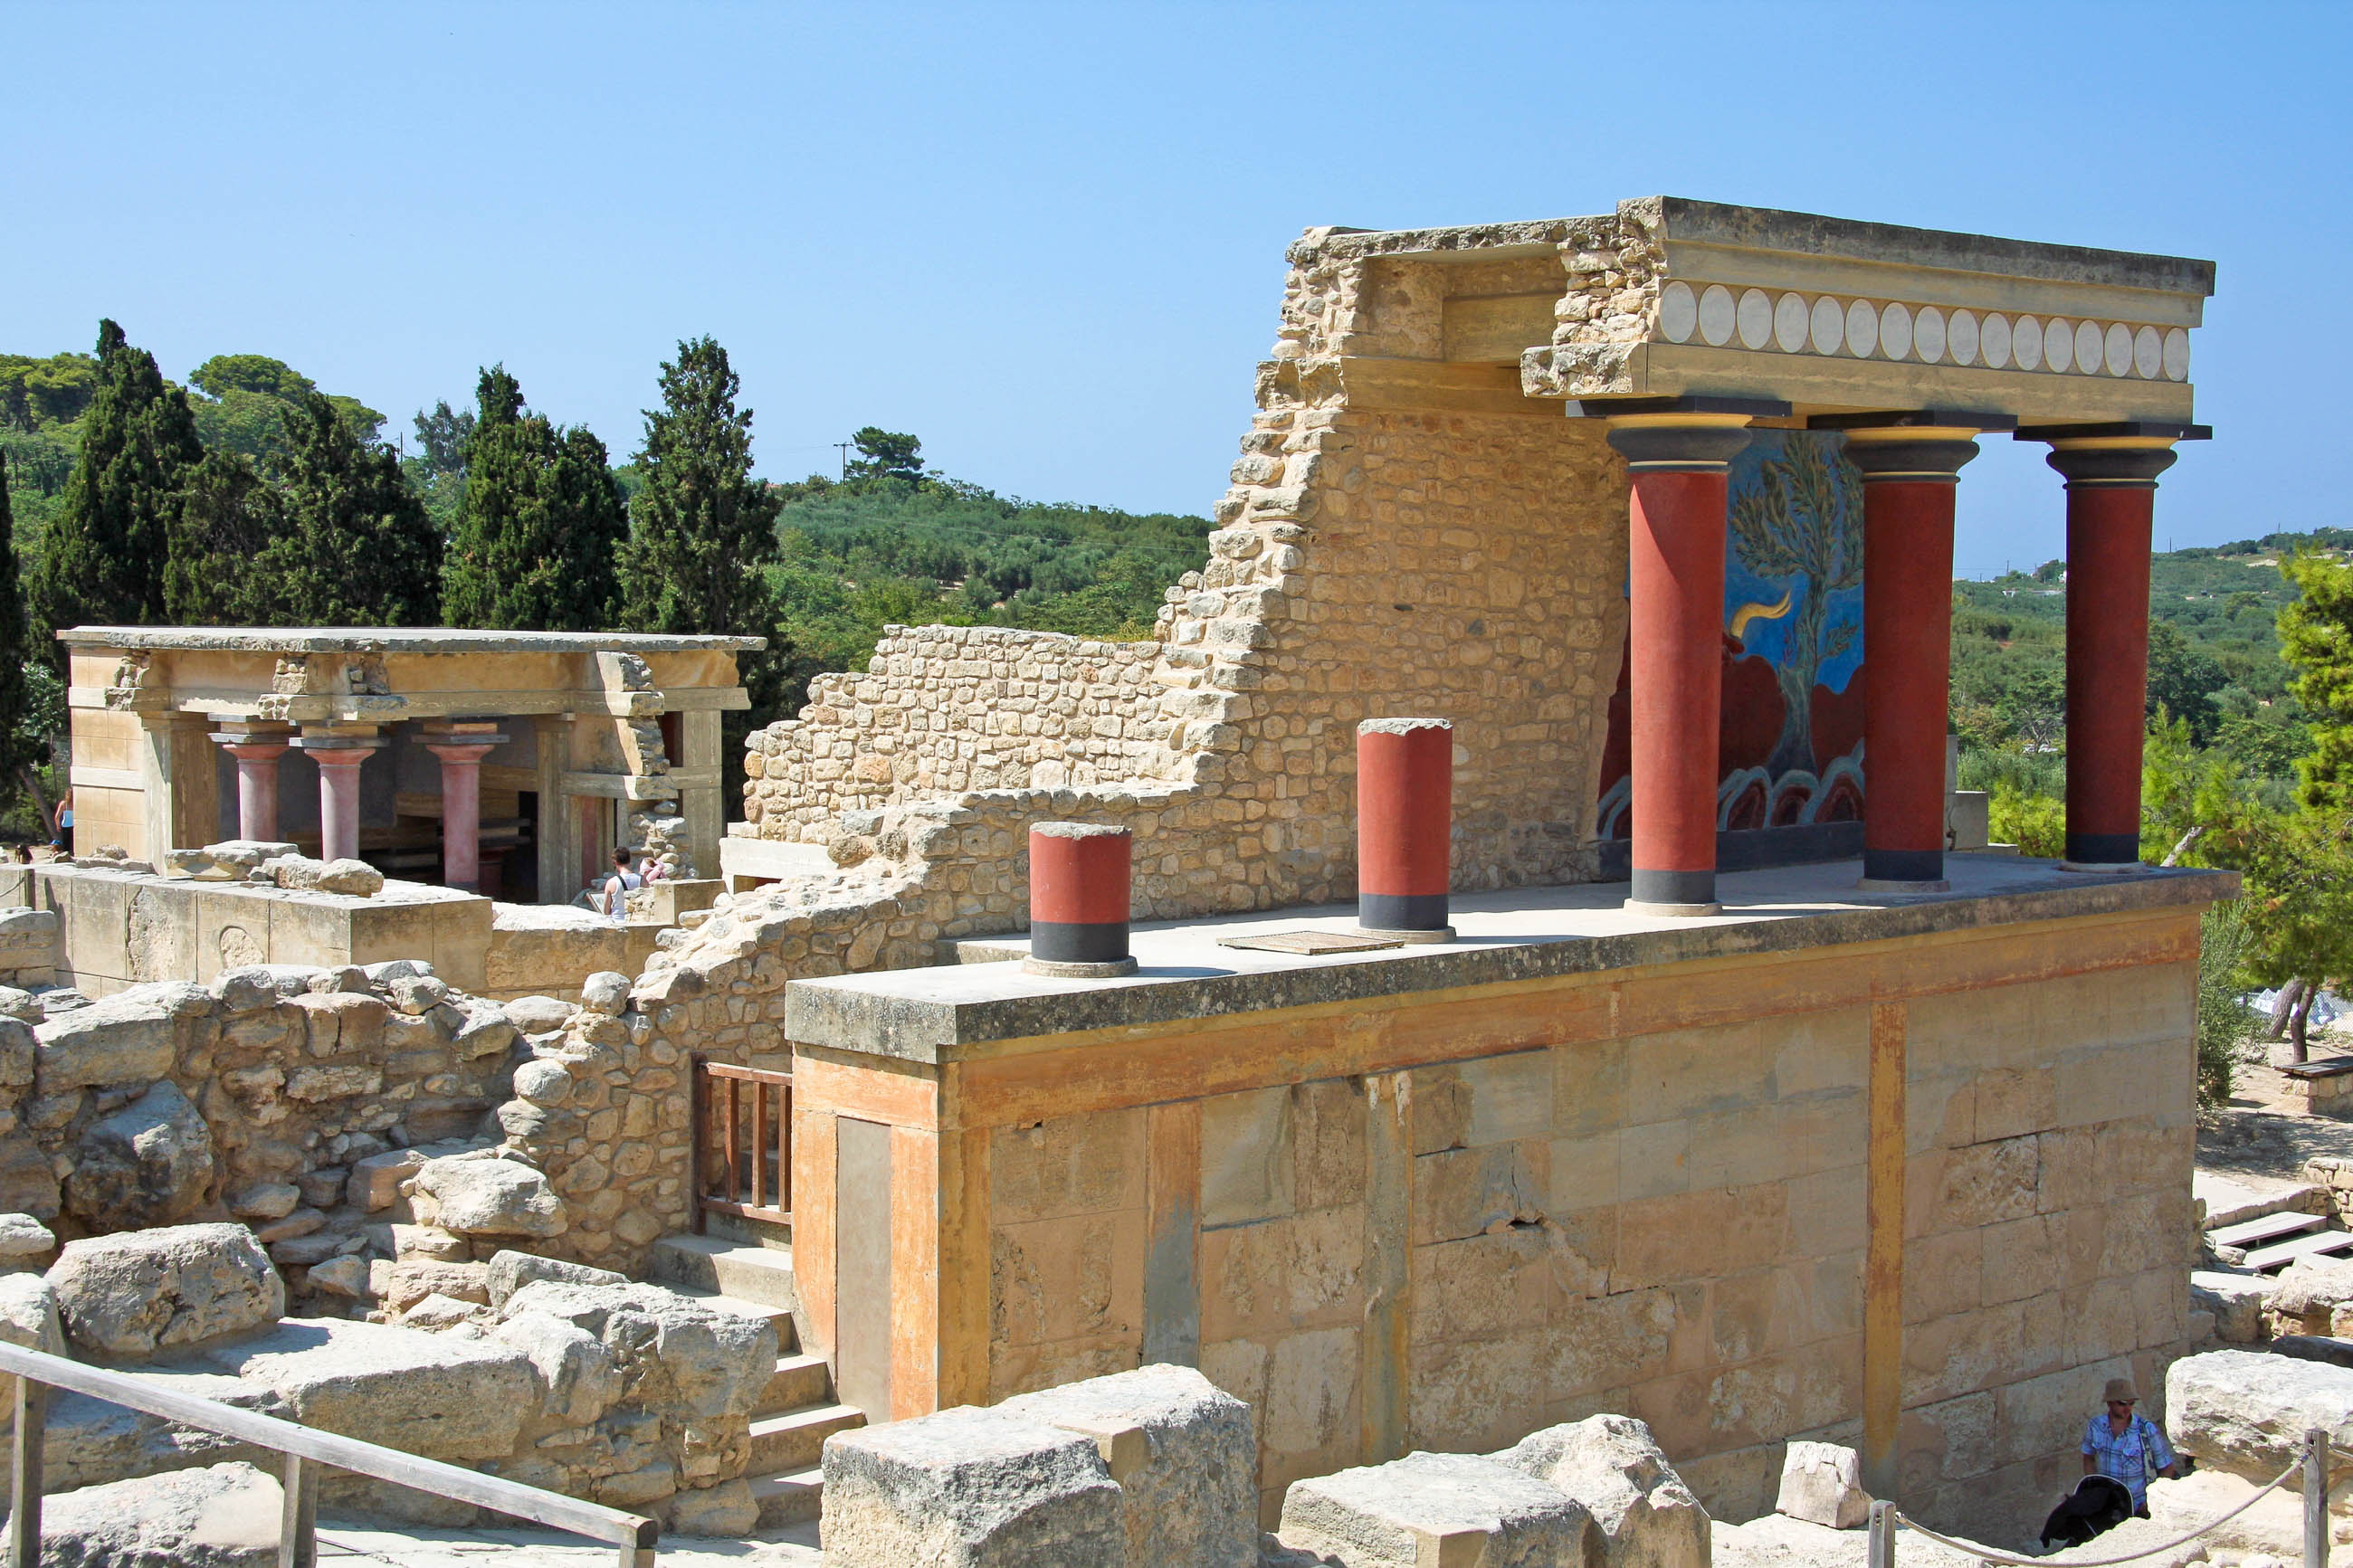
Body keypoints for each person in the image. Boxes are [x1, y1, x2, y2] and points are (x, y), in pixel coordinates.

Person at [2082, 1377, 2177, 1517]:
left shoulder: (2146, 1429)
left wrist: (2150, 1502)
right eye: (2122, 1404)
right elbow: (2088, 1458)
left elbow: (2168, 1468)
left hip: (2137, 1507)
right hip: (2107, 1506)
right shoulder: (2095, 1426)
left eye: (2131, 1403)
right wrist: (2093, 1488)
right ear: (2110, 1403)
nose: (2128, 1408)